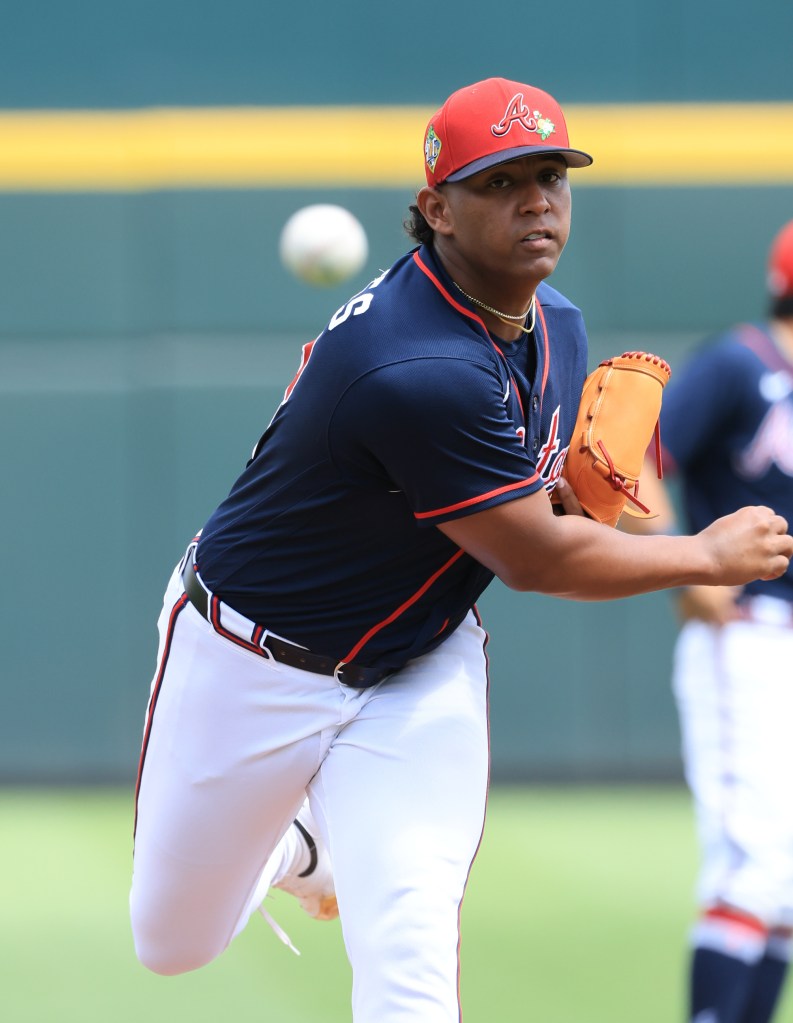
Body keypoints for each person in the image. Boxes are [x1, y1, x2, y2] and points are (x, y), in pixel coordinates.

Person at [129, 78, 793, 1022]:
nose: (535, 200)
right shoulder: (413, 363)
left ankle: (329, 845)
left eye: (551, 176)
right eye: (500, 181)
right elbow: (536, 560)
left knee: (410, 955)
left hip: (416, 661)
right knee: (172, 943)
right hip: (252, 654)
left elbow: (541, 513)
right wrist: (704, 551)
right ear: (436, 208)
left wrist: (567, 492)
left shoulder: (555, 323)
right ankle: (300, 846)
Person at [623, 219, 793, 1023]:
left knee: (786, 881)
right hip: (746, 636)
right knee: (749, 861)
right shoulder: (739, 364)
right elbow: (630, 462)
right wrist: (679, 563)